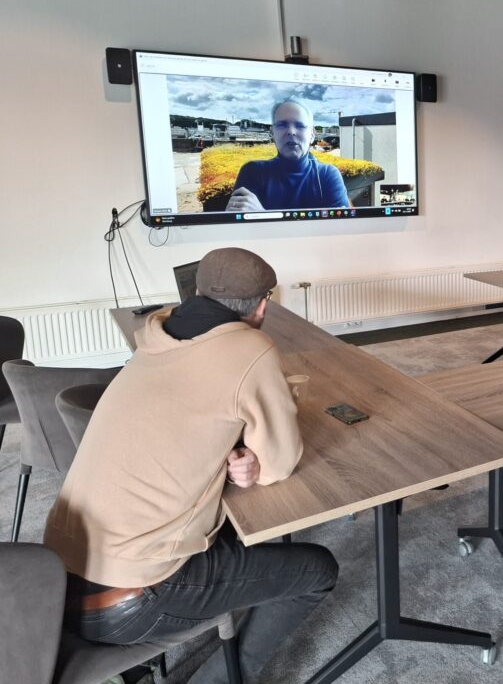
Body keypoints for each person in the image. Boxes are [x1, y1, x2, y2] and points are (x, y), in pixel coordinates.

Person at [44, 248, 339, 684]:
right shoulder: (250, 350)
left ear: (196, 292)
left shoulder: (155, 333)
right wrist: (257, 457)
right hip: (129, 602)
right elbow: (279, 465)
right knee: (317, 570)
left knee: (232, 535)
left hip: (54, 581)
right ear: (263, 305)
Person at [227, 99, 352, 211]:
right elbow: (238, 231)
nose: (291, 132)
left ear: (312, 135)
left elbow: (340, 230)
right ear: (273, 133)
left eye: (300, 125)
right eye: (282, 125)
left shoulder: (327, 175)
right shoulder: (252, 172)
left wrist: (261, 215)